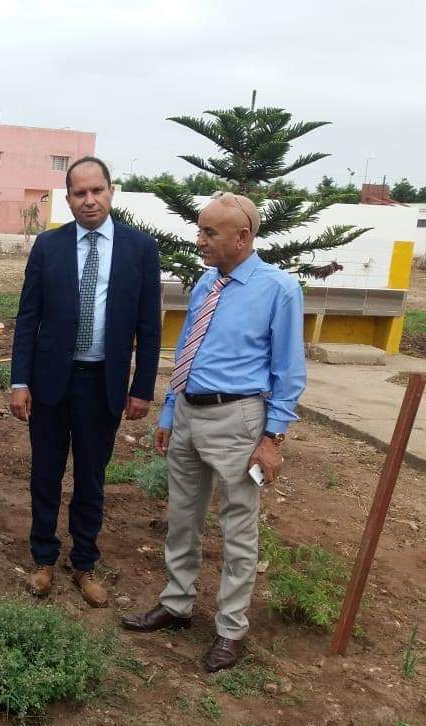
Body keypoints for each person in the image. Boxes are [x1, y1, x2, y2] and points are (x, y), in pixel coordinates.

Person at [122, 193, 306, 672]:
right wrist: (168, 410)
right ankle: (177, 603)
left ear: (243, 238)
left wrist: (273, 438)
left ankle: (230, 629)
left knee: (238, 528)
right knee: (183, 517)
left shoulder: (278, 289)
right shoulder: (208, 281)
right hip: (187, 413)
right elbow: (187, 345)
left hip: (238, 420)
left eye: (210, 233)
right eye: (200, 229)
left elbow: (289, 369)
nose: (198, 240)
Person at [10, 156, 161, 608]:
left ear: (111, 191)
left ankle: (85, 563)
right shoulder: (48, 247)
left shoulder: (140, 249)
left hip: (104, 384)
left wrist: (142, 387)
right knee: (45, 473)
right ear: (69, 198)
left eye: (97, 191)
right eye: (79, 193)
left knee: (92, 477)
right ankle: (42, 559)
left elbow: (149, 328)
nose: (89, 200)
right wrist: (20, 381)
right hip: (51, 382)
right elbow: (28, 317)